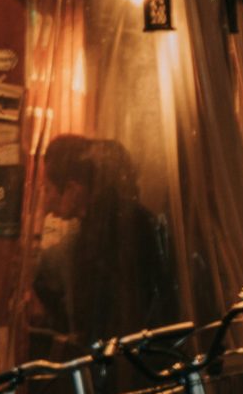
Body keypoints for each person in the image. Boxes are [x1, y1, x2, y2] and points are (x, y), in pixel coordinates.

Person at [28, 134, 172, 350]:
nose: (47, 205)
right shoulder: (105, 227)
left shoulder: (116, 233)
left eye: (48, 190)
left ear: (72, 190)